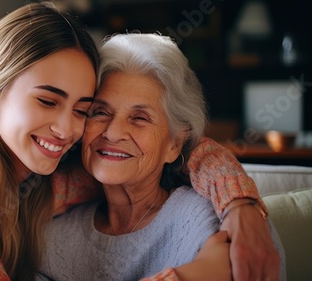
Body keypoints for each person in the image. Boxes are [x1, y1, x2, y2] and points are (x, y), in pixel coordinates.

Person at [0, 3, 279, 281]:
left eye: (83, 108)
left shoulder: (58, 178)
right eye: (47, 100)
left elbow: (184, 148)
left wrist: (240, 206)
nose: (67, 130)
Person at [37, 33, 286, 281]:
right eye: (100, 112)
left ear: (175, 143)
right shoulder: (50, 239)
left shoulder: (217, 221)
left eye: (140, 118)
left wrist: (240, 202)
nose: (112, 133)